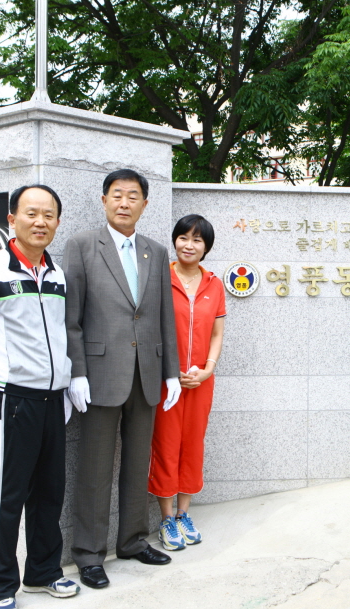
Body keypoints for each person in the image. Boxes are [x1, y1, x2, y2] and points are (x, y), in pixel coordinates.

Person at [0, 185, 79, 609]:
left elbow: (60, 337)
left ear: (58, 222)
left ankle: (43, 572)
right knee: (5, 500)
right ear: (12, 218)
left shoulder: (58, 274)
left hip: (51, 401)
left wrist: (68, 380)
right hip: (10, 402)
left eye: (49, 215)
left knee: (49, 493)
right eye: (31, 213)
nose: (40, 221)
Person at [64, 168, 182, 590]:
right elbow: (71, 319)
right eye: (117, 195)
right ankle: (89, 554)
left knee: (137, 463)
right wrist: (76, 372)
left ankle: (132, 539)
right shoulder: (81, 247)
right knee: (95, 469)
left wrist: (170, 372)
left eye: (133, 196)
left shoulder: (153, 250)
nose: (124, 203)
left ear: (145, 205)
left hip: (146, 374)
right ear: (104, 200)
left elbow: (164, 317)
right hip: (98, 376)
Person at [148, 214, 226, 550]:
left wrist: (207, 369)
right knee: (165, 447)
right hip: (167, 381)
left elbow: (218, 333)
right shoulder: (160, 278)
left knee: (192, 446)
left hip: (201, 382)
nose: (188, 245)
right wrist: (170, 369)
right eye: (183, 238)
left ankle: (183, 514)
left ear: (206, 247)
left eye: (197, 240)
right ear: (175, 241)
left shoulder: (214, 284)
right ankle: (166, 519)